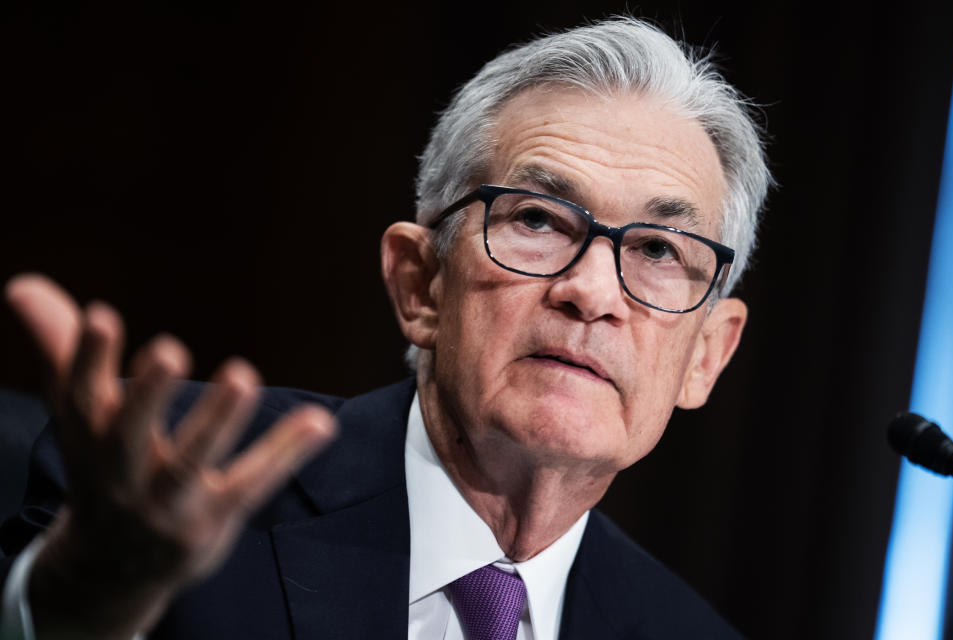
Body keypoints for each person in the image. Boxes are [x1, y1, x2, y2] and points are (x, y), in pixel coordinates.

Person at [0, 15, 770, 640]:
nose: (591, 290)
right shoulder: (165, 487)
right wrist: (87, 611)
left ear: (706, 353)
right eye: (537, 218)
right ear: (420, 282)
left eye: (661, 250)